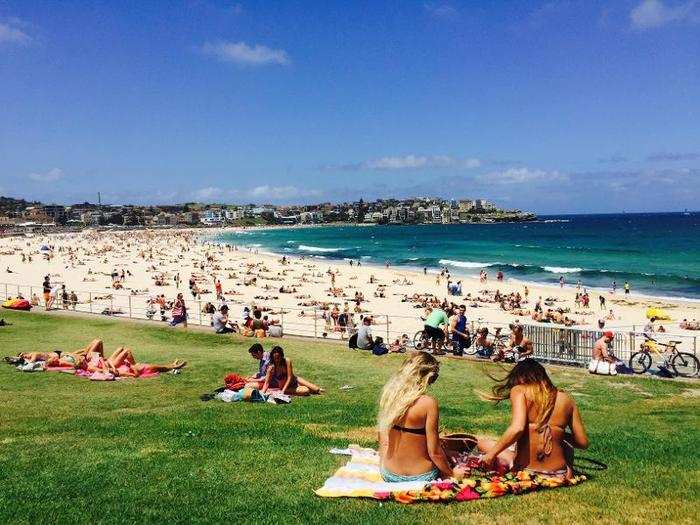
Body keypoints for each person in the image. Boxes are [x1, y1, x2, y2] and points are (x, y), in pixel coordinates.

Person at [479, 360, 589, 480]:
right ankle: (566, 470)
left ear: (520, 377)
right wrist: (558, 433)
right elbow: (582, 443)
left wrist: (490, 455)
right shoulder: (567, 400)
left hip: (527, 473)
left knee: (483, 443)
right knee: (566, 446)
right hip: (560, 475)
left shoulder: (519, 390)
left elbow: (517, 428)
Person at [377, 352, 462, 482]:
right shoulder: (428, 403)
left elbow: (383, 439)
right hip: (422, 477)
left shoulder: (390, 397)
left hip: (389, 474)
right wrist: (451, 473)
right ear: (427, 377)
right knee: (440, 448)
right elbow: (434, 452)